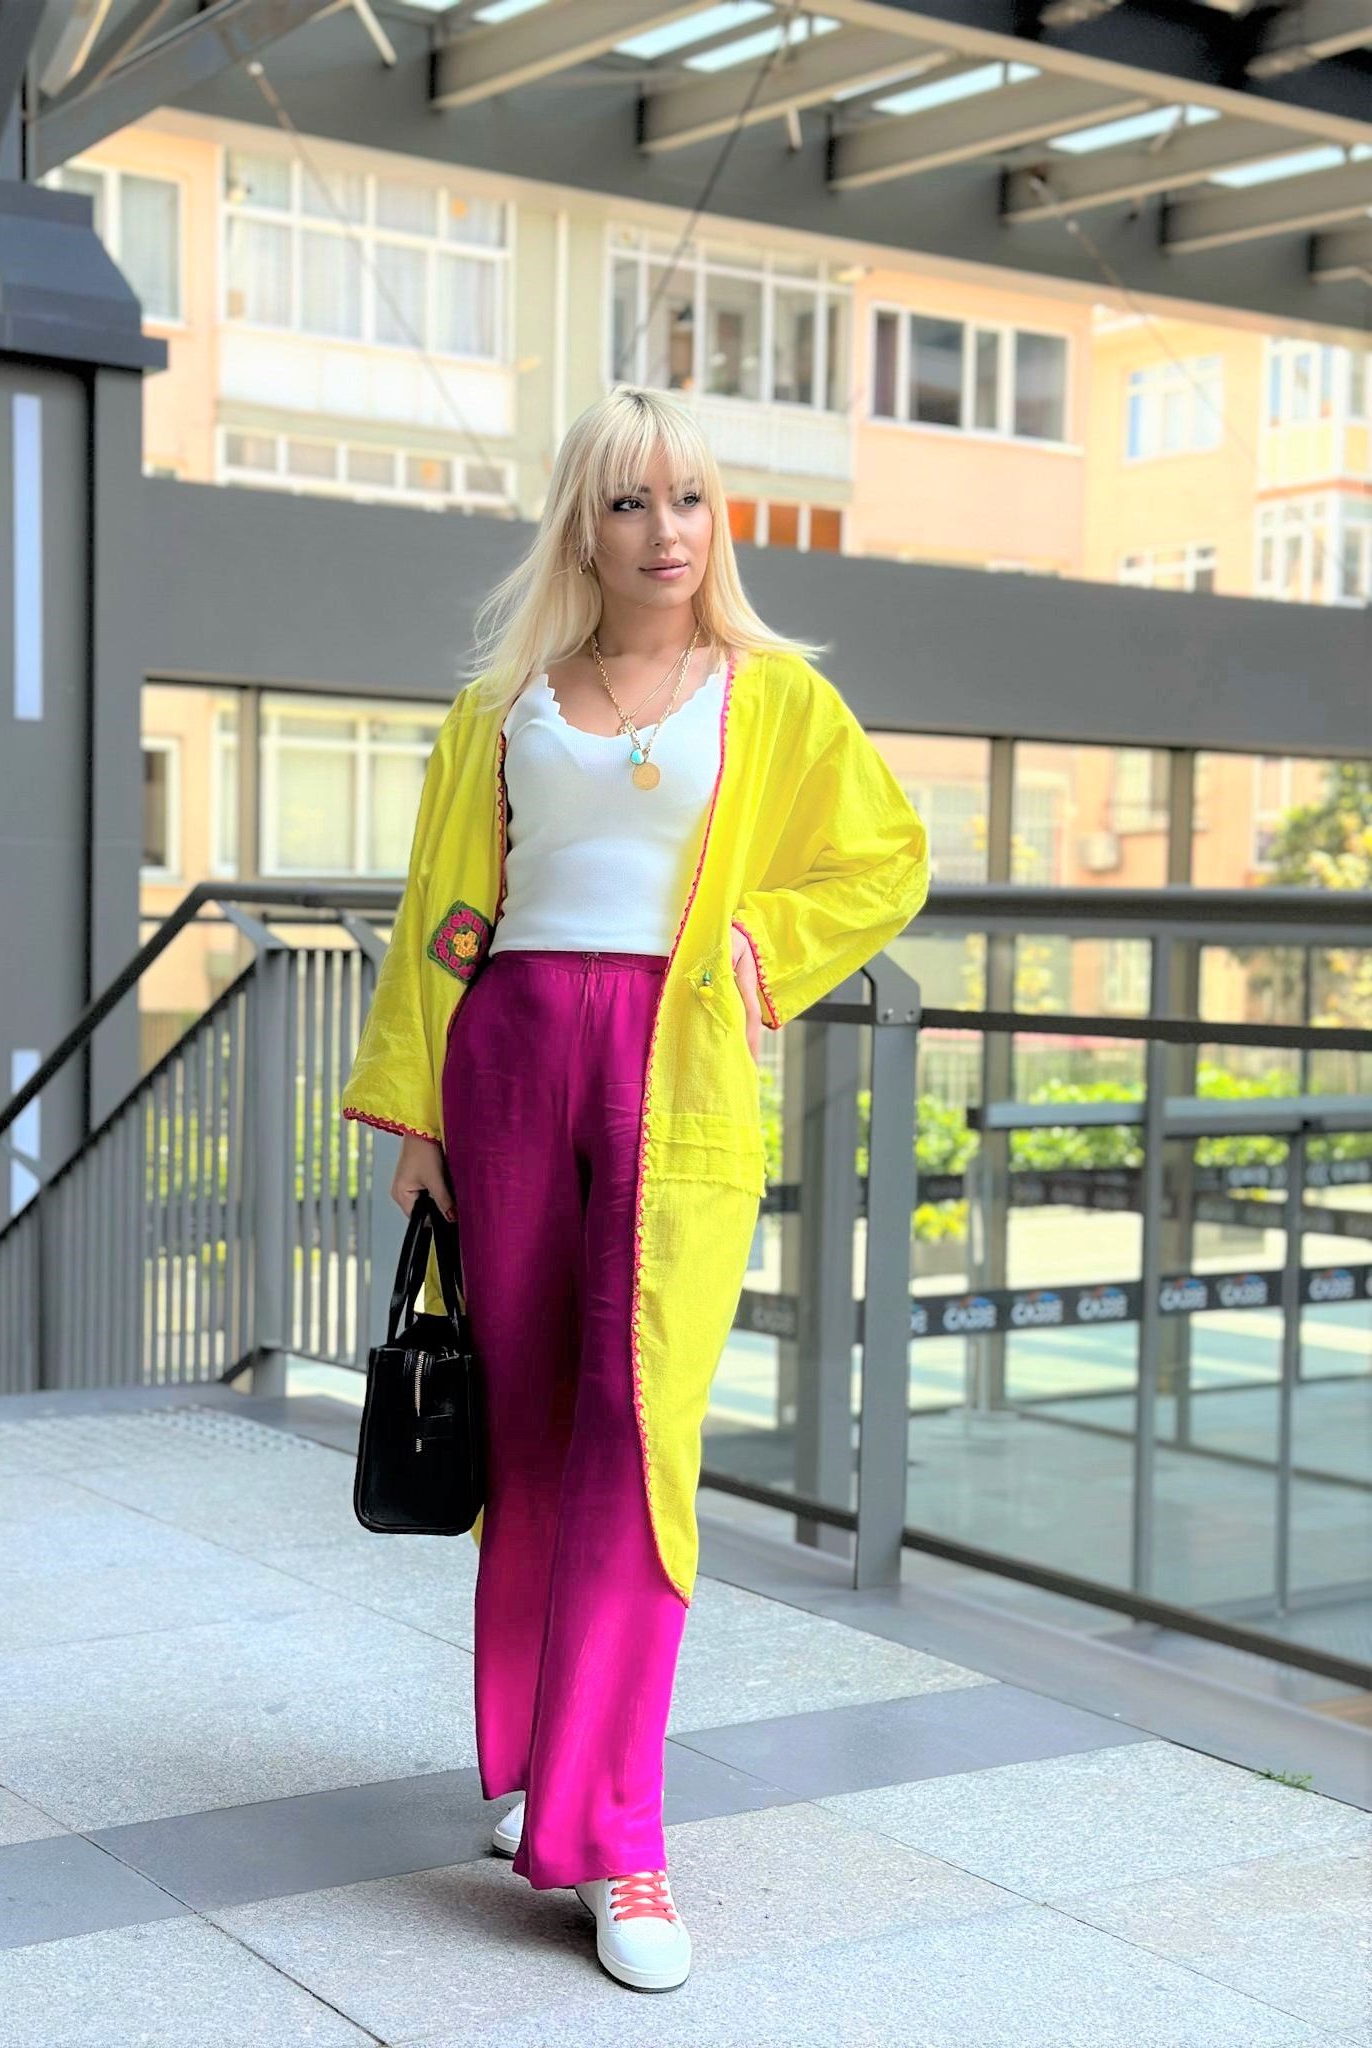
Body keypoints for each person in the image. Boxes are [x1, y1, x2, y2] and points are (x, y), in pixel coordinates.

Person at [340, 386, 930, 1992]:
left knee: (639, 1434)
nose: (664, 532)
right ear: (582, 527)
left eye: (688, 499)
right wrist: (417, 1111)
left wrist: (761, 945)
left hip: (677, 1068)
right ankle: (542, 1765)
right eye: (627, 502)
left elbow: (886, 858)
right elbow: (440, 910)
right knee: (529, 1428)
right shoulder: (504, 706)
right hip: (511, 1056)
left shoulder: (774, 695)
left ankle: (621, 1838)